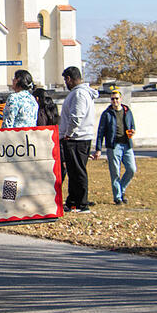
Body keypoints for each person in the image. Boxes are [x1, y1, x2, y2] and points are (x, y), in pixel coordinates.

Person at [58, 66, 99, 213]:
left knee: (78, 171)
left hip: (77, 138)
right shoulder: (79, 93)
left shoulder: (79, 94)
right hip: (77, 137)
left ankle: (81, 203)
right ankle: (73, 201)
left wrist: (68, 133)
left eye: (65, 80)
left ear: (69, 78)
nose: (65, 83)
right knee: (73, 171)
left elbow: (76, 116)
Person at [93, 90, 137, 205]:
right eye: (112, 99)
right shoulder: (107, 114)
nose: (115, 101)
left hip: (127, 145)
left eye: (117, 98)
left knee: (132, 169)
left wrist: (132, 132)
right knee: (115, 172)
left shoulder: (127, 111)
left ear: (121, 99)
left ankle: (121, 190)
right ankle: (117, 197)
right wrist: (98, 149)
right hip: (113, 146)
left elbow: (132, 125)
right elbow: (100, 132)